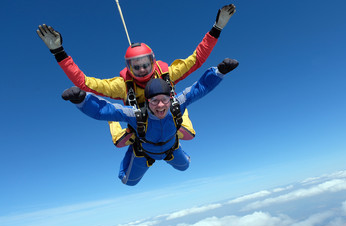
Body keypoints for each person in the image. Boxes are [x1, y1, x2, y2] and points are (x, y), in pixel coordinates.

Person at [37, 4, 236, 148]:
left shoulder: (166, 74)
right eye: (135, 66)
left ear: (153, 61)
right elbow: (85, 83)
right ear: (128, 67)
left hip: (166, 112)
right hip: (139, 122)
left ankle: (180, 114)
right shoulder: (123, 85)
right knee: (120, 142)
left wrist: (217, 28)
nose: (141, 69)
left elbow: (197, 59)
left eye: (145, 64)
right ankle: (114, 123)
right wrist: (59, 52)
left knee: (187, 130)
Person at [62, 58, 239, 186]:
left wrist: (219, 72)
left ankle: (179, 124)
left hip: (172, 148)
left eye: (164, 99)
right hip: (144, 153)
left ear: (170, 98)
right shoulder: (136, 114)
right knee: (127, 181)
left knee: (185, 167)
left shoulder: (177, 103)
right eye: (154, 101)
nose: (160, 105)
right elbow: (102, 110)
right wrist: (81, 100)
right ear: (147, 102)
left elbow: (200, 88)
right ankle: (121, 130)